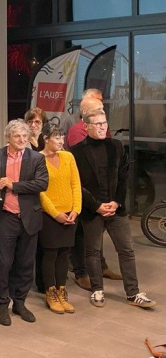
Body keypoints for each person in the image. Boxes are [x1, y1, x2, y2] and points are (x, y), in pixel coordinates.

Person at [70, 108, 157, 309]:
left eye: (104, 123)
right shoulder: (75, 152)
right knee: (92, 251)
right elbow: (77, 185)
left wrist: (116, 202)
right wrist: (97, 206)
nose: (102, 127)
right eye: (98, 124)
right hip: (92, 210)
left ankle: (133, 293)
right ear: (86, 126)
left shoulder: (117, 147)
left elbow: (124, 177)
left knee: (126, 250)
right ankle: (97, 290)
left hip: (117, 209)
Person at [0, 119, 48, 326]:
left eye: (25, 136)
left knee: (25, 263)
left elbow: (42, 183)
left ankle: (20, 303)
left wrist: (13, 185)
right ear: (8, 138)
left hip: (29, 217)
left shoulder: (36, 157)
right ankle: (2, 304)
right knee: (4, 263)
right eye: (17, 136)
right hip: (5, 215)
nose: (22, 140)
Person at [65, 97, 121, 290]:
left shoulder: (103, 130)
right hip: (85, 197)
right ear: (85, 114)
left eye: (102, 109)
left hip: (101, 198)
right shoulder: (76, 133)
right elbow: (80, 170)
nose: (102, 112)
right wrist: (95, 203)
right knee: (80, 236)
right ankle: (80, 273)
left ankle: (101, 266)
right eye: (98, 109)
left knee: (95, 239)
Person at [38, 123, 81, 314]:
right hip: (50, 216)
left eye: (62, 137)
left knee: (65, 254)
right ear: (46, 139)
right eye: (57, 138)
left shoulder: (68, 156)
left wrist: (76, 210)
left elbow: (75, 184)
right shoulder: (37, 159)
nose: (61, 141)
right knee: (51, 254)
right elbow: (39, 191)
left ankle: (62, 292)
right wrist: (55, 214)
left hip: (70, 214)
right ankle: (51, 293)